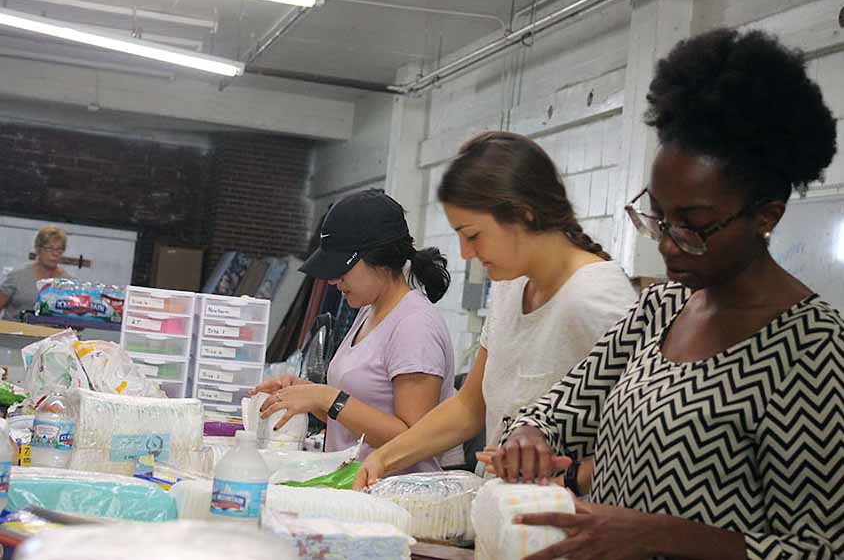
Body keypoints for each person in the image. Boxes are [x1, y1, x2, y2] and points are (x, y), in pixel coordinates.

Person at [488, 28, 843, 560]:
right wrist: (531, 434)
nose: (666, 243)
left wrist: (661, 535)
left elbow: (824, 549)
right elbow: (556, 411)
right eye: (657, 216)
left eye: (692, 224)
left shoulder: (816, 352)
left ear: (766, 217)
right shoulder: (660, 309)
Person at [353, 132, 637, 487]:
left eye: (472, 236)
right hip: (500, 516)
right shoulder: (511, 286)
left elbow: (641, 447)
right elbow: (470, 407)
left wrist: (569, 481)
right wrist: (384, 458)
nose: (465, 253)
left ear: (523, 216)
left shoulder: (597, 298)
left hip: (567, 528)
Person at [252, 189, 456, 473]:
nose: (335, 281)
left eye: (342, 270)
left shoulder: (414, 326)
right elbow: (353, 417)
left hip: (394, 497)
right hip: (353, 484)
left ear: (379, 258)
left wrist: (327, 397)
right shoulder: (368, 311)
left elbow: (413, 441)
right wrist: (306, 394)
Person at [0, 225, 73, 320]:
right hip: (14, 332)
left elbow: (74, 319)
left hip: (50, 333)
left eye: (59, 250)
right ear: (38, 249)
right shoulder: (17, 277)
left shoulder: (68, 283)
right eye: (50, 248)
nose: (55, 254)